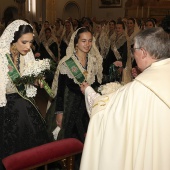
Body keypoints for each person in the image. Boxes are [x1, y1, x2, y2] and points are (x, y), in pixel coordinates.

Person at [80, 27, 170, 170]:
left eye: (134, 49)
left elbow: (106, 113)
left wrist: (89, 91)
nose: (133, 54)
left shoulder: (139, 88)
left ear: (144, 53)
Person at [0, 20, 49, 169]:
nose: (29, 47)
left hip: (25, 105)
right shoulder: (2, 57)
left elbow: (27, 80)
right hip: (5, 108)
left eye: (31, 42)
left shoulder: (26, 55)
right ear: (13, 40)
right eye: (24, 42)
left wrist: (35, 80)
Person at [46, 27, 103, 143]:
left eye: (90, 40)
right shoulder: (66, 63)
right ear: (76, 42)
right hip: (69, 108)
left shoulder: (93, 61)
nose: (87, 44)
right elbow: (60, 92)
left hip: (87, 108)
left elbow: (96, 84)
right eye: (83, 41)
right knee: (69, 144)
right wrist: (59, 113)